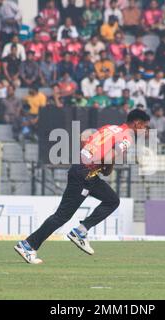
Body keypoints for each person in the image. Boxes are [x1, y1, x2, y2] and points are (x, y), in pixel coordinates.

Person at [14, 109, 150, 264]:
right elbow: (108, 156)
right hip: (84, 175)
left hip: (84, 171)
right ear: (137, 123)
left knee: (112, 200)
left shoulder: (109, 128)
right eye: (145, 127)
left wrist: (100, 165)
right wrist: (107, 167)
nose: (145, 131)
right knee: (62, 216)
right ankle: (28, 245)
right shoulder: (128, 137)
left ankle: (81, 231)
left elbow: (86, 141)